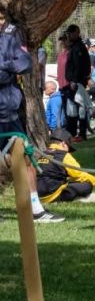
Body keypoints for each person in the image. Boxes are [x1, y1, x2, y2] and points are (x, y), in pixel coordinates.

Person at [1, 15, 65, 222]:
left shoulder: (8, 39)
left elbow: (25, 63)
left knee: (27, 158)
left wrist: (6, 66)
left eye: (1, 17)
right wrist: (8, 67)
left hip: (9, 113)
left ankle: (36, 210)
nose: (1, 22)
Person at [36, 128, 95, 205]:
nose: (68, 151)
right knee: (87, 185)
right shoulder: (64, 156)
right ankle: (61, 199)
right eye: (68, 148)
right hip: (52, 194)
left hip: (38, 194)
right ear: (63, 144)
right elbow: (81, 176)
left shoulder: (43, 154)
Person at [63, 25, 92, 142]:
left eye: (71, 33)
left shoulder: (79, 47)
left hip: (78, 82)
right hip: (74, 82)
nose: (69, 36)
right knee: (75, 109)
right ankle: (74, 133)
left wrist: (75, 80)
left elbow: (78, 66)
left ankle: (82, 134)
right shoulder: (75, 47)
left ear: (76, 33)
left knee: (81, 108)